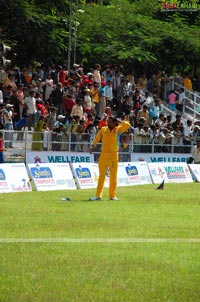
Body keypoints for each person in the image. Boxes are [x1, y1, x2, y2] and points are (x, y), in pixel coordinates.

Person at [89, 116, 130, 201]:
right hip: (103, 154)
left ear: (114, 123)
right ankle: (98, 196)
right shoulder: (103, 129)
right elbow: (97, 138)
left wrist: (119, 120)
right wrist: (92, 146)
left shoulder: (118, 129)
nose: (108, 123)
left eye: (110, 122)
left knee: (113, 176)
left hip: (113, 155)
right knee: (101, 176)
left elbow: (127, 125)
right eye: (108, 121)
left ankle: (112, 196)